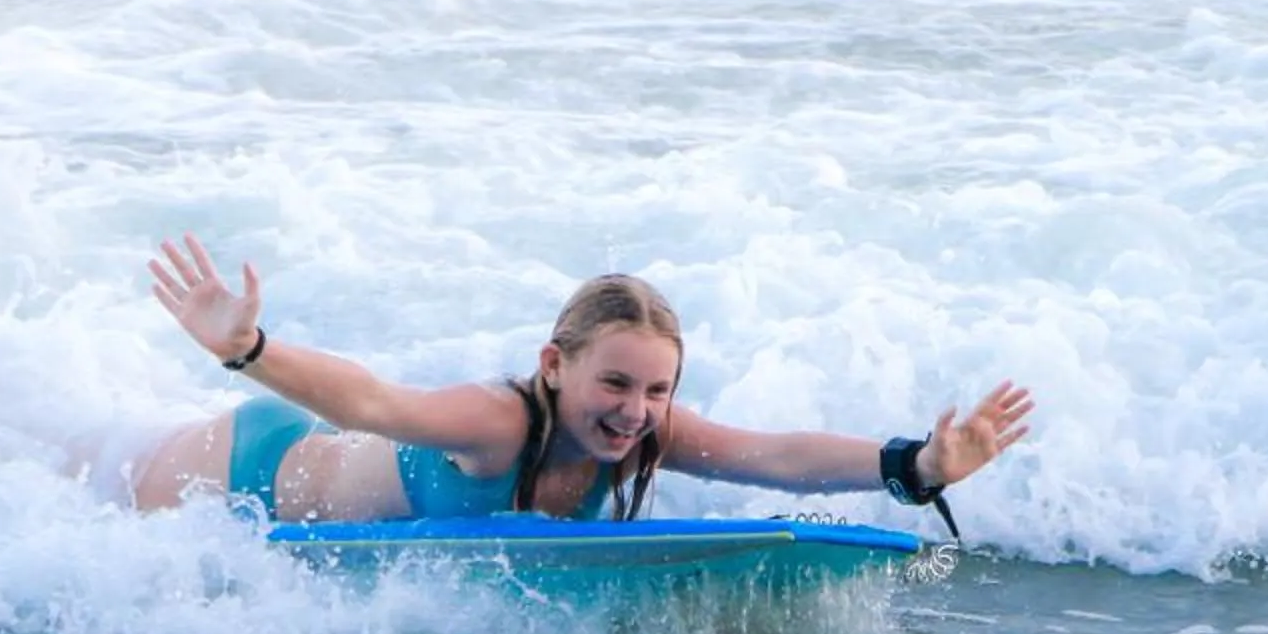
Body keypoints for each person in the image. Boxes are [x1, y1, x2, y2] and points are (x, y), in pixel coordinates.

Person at [118, 237, 1033, 534]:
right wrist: (248, 349)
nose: (635, 411)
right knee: (68, 468)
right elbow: (371, 403)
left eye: (658, 390)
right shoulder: (498, 423)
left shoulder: (639, 432)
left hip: (281, 484)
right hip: (234, 470)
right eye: (616, 382)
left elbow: (774, 458)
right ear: (555, 366)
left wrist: (916, 463)